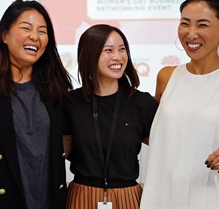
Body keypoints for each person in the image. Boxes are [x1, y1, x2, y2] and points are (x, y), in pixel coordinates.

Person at [0, 0, 73, 208]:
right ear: (4, 36)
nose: (34, 37)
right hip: (0, 201)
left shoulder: (55, 87)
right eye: (26, 28)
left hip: (50, 200)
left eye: (42, 31)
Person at [140, 0, 219, 208]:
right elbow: (158, 134)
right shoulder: (167, 76)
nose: (191, 34)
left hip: (216, 199)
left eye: (203, 25)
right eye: (185, 23)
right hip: (163, 198)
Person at [62, 24, 158, 209]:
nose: (118, 56)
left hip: (128, 197)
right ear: (90, 55)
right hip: (81, 197)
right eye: (108, 50)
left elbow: (167, 148)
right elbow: (59, 153)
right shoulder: (71, 103)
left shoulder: (141, 103)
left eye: (122, 49)